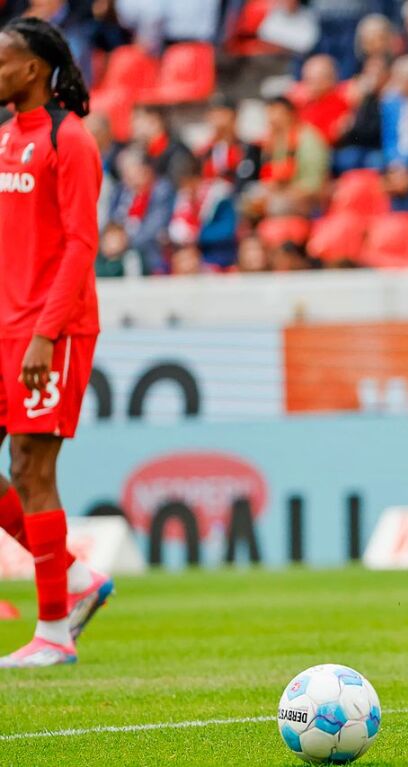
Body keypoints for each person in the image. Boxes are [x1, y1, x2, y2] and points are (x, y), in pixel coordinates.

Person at [0, 16, 113, 668]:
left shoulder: (69, 142)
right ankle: (72, 575)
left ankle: (54, 631)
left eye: (3, 61)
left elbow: (80, 245)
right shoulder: (6, 139)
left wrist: (45, 334)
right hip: (6, 325)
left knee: (33, 469)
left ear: (34, 69)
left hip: (51, 328)